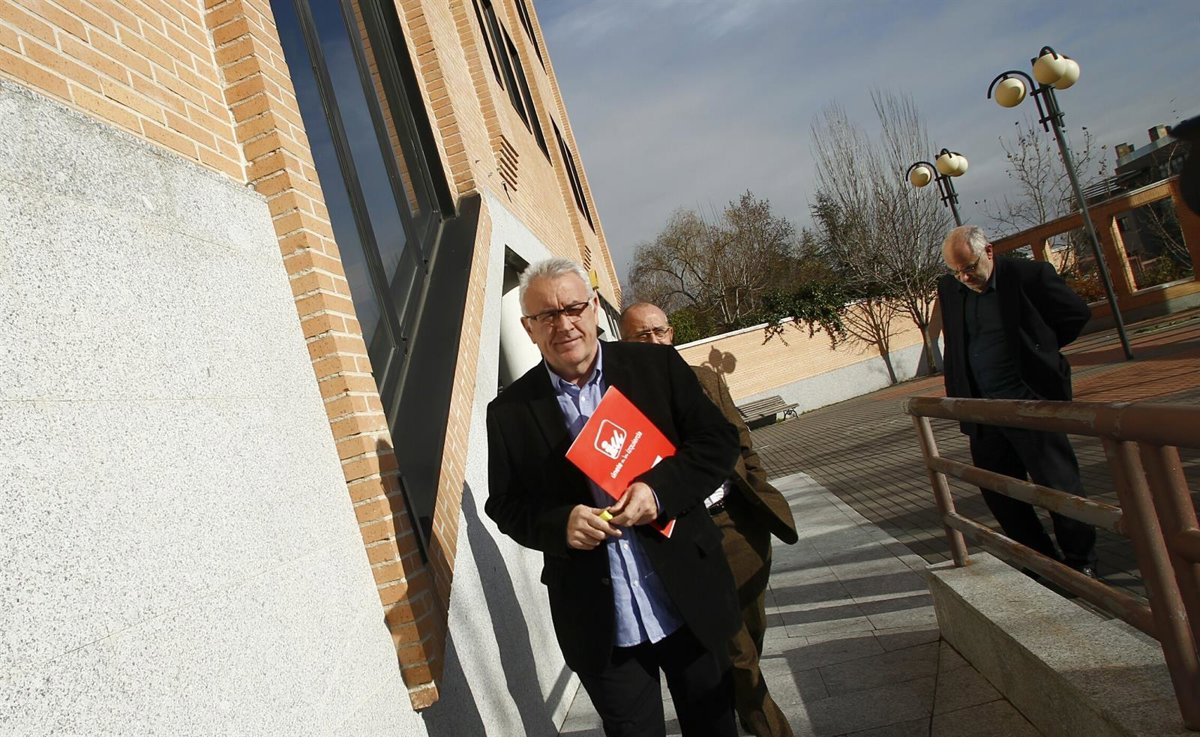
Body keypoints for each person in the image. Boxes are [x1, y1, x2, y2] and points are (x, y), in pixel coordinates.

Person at [486, 258, 742, 737]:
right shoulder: (509, 412)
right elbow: (504, 503)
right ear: (528, 328)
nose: (564, 324)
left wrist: (658, 491)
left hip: (687, 596)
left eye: (573, 308)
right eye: (547, 315)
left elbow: (718, 443)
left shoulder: (655, 366)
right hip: (602, 620)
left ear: (593, 310)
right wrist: (560, 524)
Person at [620, 302, 798, 737]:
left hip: (738, 525)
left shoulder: (705, 379)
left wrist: (755, 483)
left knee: (752, 631)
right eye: (642, 336)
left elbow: (741, 440)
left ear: (671, 333)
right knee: (738, 654)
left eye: (660, 331)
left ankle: (742, 705)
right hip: (689, 539)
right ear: (625, 344)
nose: (654, 341)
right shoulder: (622, 403)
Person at [938, 225, 1097, 577]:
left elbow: (1076, 314)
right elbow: (956, 343)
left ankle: (1081, 563)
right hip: (984, 413)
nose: (965, 277)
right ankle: (1041, 563)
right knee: (1000, 495)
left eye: (970, 267)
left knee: (1058, 488)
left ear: (989, 251)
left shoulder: (1029, 275)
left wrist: (1038, 349)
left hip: (1031, 406)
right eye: (956, 271)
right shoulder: (950, 288)